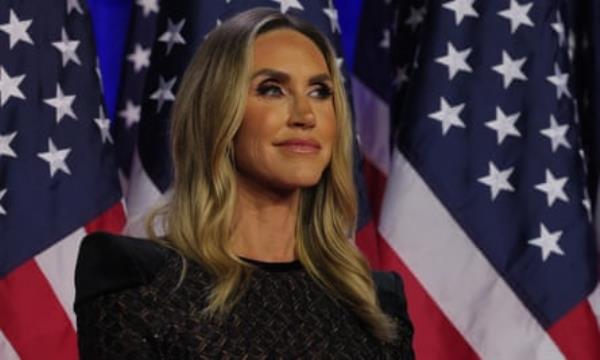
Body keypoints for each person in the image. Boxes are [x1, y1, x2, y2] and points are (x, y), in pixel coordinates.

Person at [74, 7, 414, 359]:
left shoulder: (376, 303)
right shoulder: (141, 280)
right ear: (218, 113)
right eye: (272, 90)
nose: (305, 115)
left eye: (320, 91)